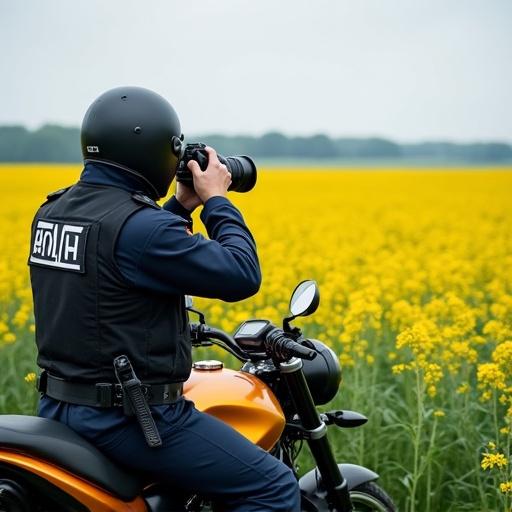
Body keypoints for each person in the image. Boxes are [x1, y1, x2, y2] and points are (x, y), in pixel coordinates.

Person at [29, 86, 300, 511]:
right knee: (274, 487)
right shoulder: (142, 228)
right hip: (131, 420)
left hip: (59, 405)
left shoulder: (55, 211)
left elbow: (115, 266)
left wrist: (177, 206)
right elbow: (241, 275)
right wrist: (216, 200)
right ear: (153, 151)